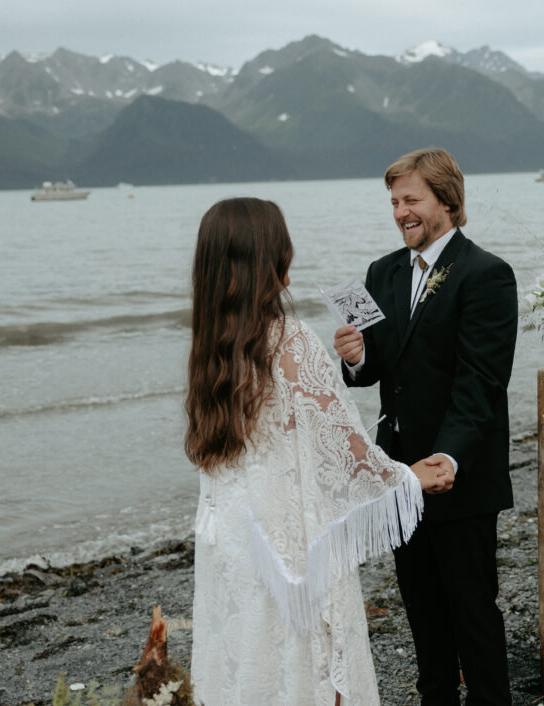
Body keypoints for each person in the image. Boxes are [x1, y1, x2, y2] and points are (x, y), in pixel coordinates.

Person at [185, 197, 454, 705]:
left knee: (245, 662)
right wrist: (408, 478)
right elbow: (346, 447)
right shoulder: (290, 340)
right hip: (289, 544)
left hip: (234, 540)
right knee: (310, 668)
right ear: (270, 259)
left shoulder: (209, 346)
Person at [334, 148, 518, 705]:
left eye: (411, 200)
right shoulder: (381, 273)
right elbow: (377, 371)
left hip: (460, 471)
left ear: (446, 200)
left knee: (473, 613)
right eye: (394, 202)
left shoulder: (487, 274)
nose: (400, 212)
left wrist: (450, 457)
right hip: (399, 473)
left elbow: (480, 381)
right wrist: (357, 357)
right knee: (422, 612)